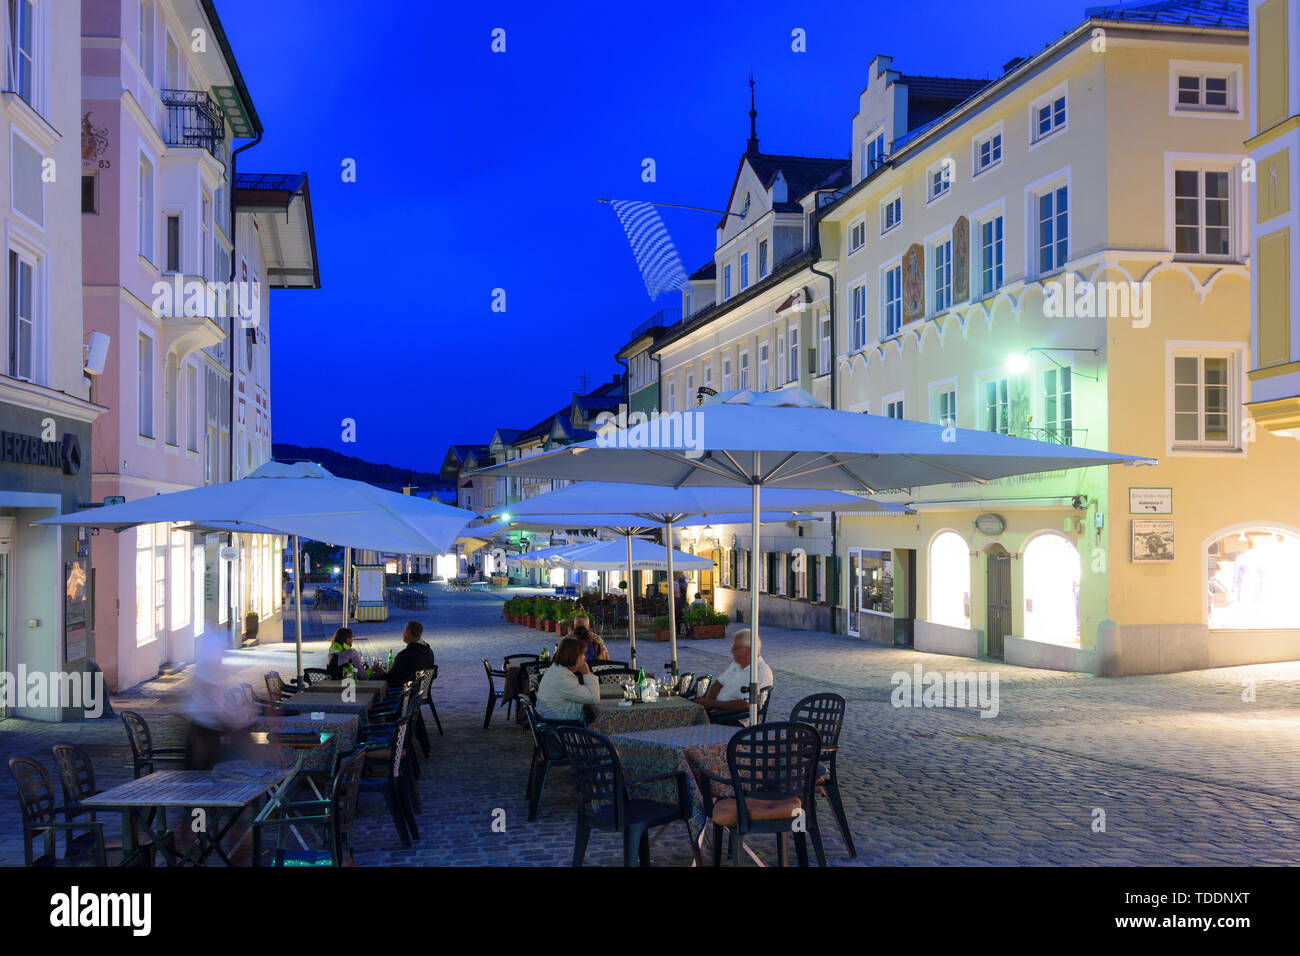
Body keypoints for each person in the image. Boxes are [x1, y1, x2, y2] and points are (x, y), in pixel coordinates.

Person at [697, 629, 773, 725]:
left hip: (738, 720)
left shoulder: (760, 671)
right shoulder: (737, 664)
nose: (731, 650)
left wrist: (711, 704)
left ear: (749, 650)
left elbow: (745, 706)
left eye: (736, 647)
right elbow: (718, 684)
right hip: (720, 712)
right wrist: (708, 703)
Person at [534, 636, 601, 723]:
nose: (584, 657)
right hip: (562, 727)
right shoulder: (563, 678)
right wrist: (586, 673)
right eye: (582, 654)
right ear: (574, 656)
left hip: (553, 720)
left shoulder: (557, 669)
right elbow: (594, 698)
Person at [386, 620, 435, 688]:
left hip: (404, 694)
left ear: (408, 633)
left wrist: (380, 673)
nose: (403, 634)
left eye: (404, 631)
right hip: (417, 693)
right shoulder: (429, 652)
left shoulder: (404, 655)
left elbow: (391, 679)